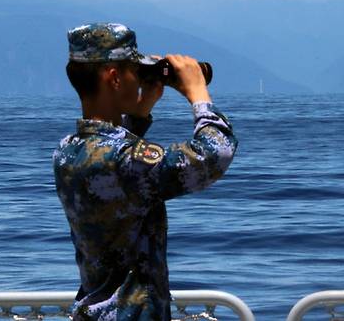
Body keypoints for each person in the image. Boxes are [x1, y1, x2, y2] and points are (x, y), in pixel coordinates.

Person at [53, 23, 238, 321]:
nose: (138, 80)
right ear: (114, 78)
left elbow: (113, 166)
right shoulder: (125, 162)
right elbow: (215, 154)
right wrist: (198, 93)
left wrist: (139, 111)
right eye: (133, 71)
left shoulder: (67, 150)